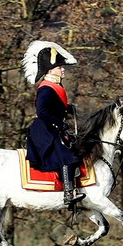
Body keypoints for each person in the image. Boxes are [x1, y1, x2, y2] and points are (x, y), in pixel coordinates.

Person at [22, 40, 84, 211]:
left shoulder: (55, 87)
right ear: (51, 71)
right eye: (60, 67)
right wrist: (59, 123)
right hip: (45, 131)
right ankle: (68, 194)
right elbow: (42, 112)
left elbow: (54, 108)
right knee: (67, 158)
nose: (63, 69)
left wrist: (67, 109)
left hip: (52, 128)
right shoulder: (46, 89)